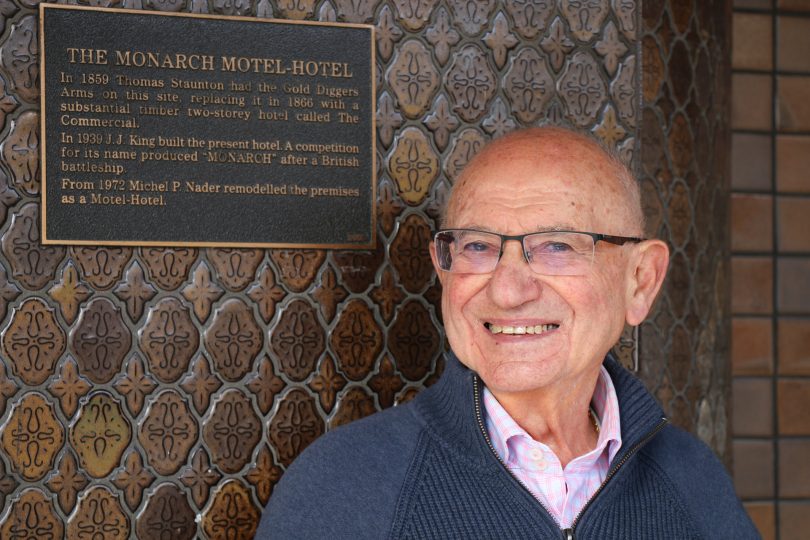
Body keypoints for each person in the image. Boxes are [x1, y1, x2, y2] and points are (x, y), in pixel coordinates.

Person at [256, 127, 758, 539]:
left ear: (640, 281)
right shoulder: (342, 489)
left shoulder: (694, 478)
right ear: (443, 270)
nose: (509, 290)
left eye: (558, 246)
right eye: (477, 246)